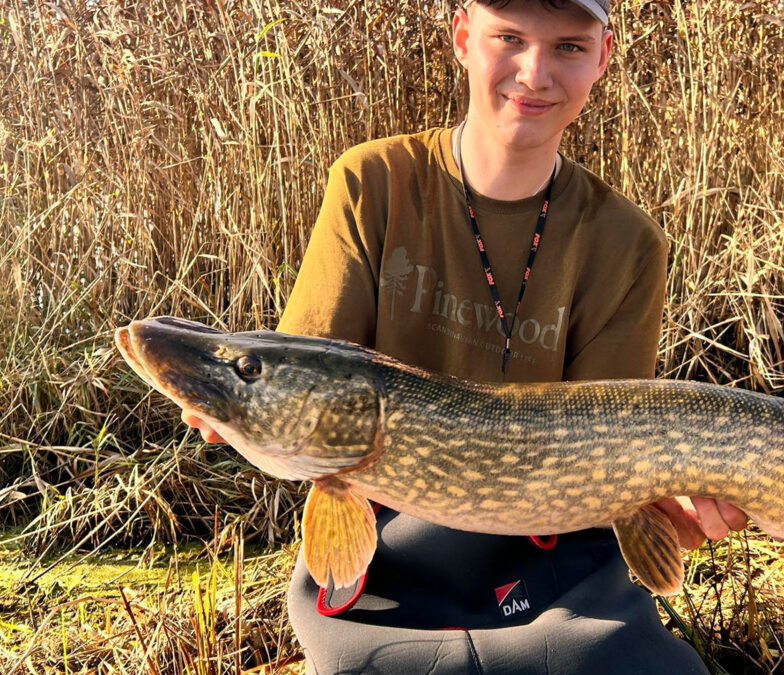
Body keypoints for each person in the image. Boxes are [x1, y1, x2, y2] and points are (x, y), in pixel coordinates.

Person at [183, 0, 748, 672]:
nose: (534, 73)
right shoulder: (372, 184)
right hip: (389, 552)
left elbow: (614, 466)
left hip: (560, 565)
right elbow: (309, 401)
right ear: (463, 37)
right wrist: (238, 403)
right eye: (509, 38)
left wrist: (673, 505)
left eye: (568, 46)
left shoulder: (628, 243)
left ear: (603, 57)